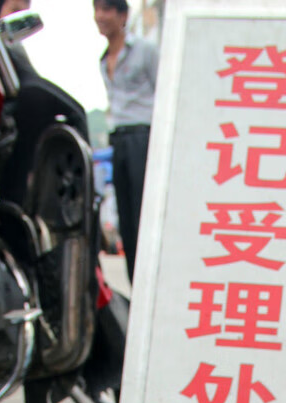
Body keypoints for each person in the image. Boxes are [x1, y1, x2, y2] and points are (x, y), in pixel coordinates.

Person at [94, 0, 159, 283]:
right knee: (126, 221)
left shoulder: (145, 51)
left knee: (143, 215)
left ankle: (151, 282)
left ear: (123, 15)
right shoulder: (102, 59)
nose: (100, 17)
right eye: (96, 10)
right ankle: (136, 286)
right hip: (118, 140)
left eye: (107, 10)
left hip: (142, 138)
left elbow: (163, 91)